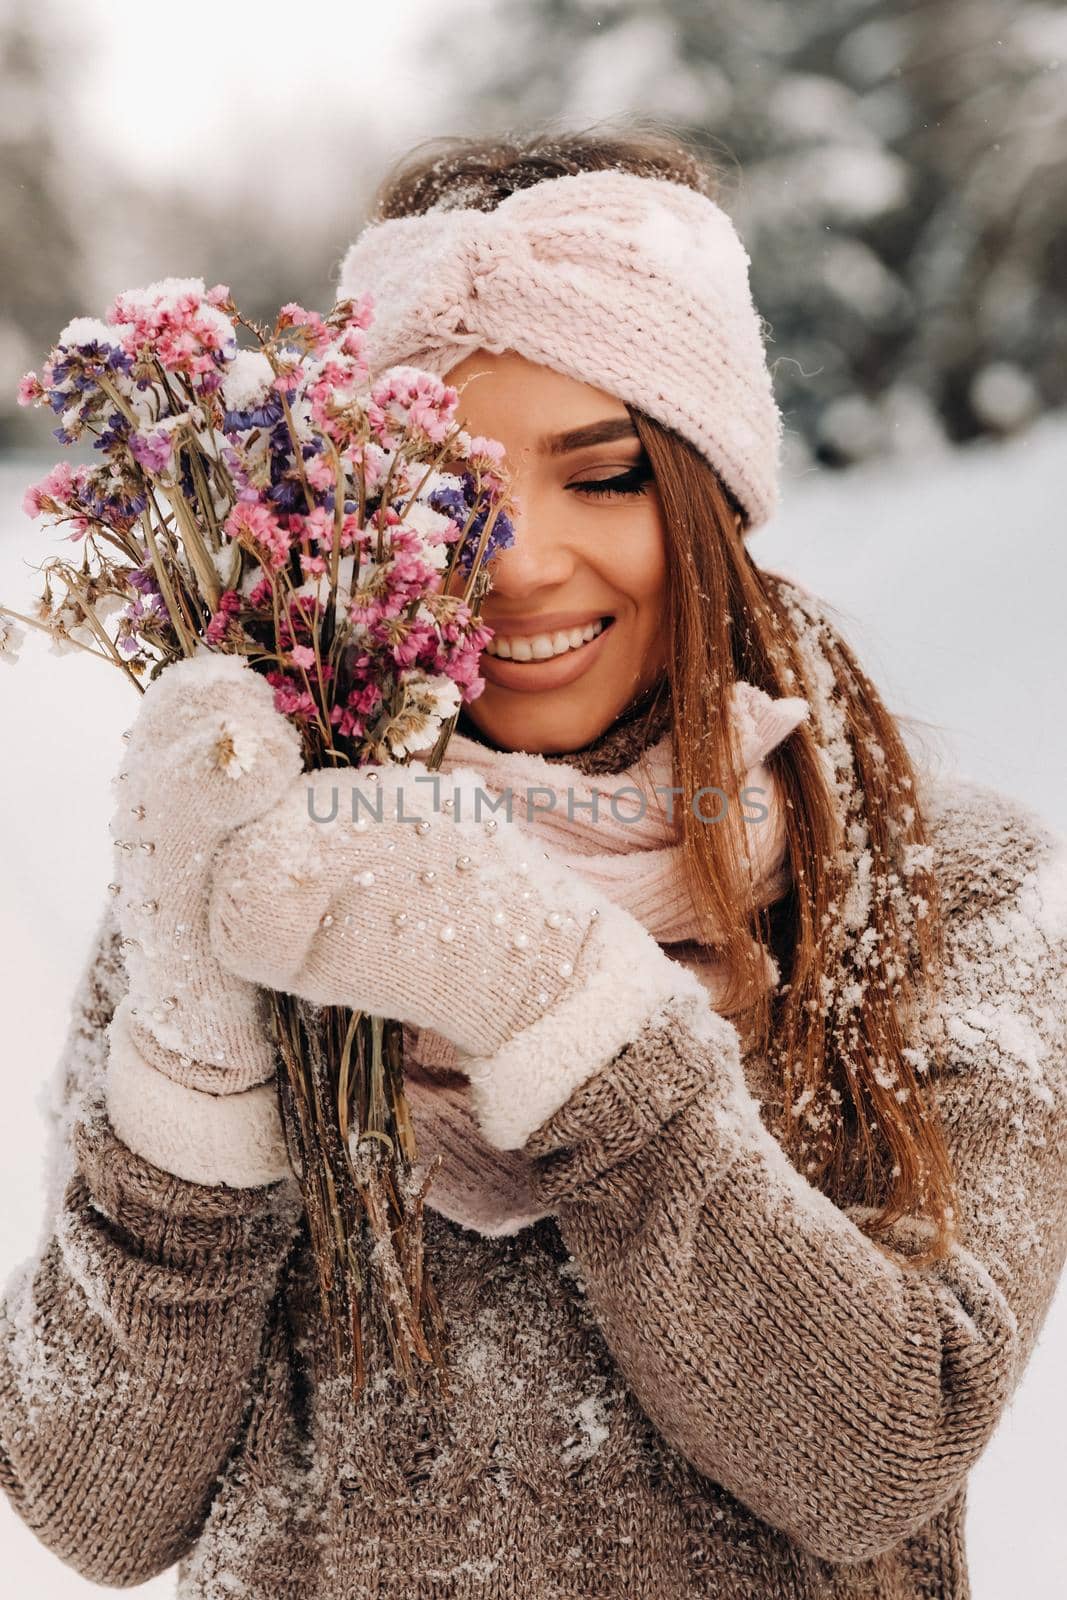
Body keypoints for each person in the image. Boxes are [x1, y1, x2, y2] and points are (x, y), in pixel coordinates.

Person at [2, 126, 1065, 1600]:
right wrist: (193, 1048)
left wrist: (556, 997)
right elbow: (91, 1503)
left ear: (709, 494)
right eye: (445, 485)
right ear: (351, 518)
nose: (516, 561)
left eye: (606, 477)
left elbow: (881, 1448)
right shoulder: (252, 872)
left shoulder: (954, 894)